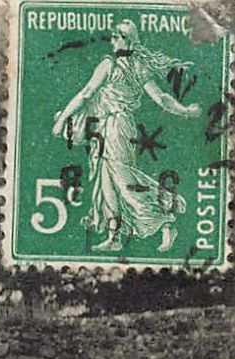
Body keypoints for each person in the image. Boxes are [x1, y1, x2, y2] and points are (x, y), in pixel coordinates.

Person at [51, 20, 203, 252]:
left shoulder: (109, 65)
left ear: (127, 39)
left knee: (124, 182)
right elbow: (161, 98)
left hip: (116, 127)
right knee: (107, 183)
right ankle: (114, 236)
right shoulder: (138, 68)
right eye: (112, 36)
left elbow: (86, 94)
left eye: (116, 36)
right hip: (110, 128)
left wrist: (63, 119)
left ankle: (165, 222)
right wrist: (185, 111)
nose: (111, 41)